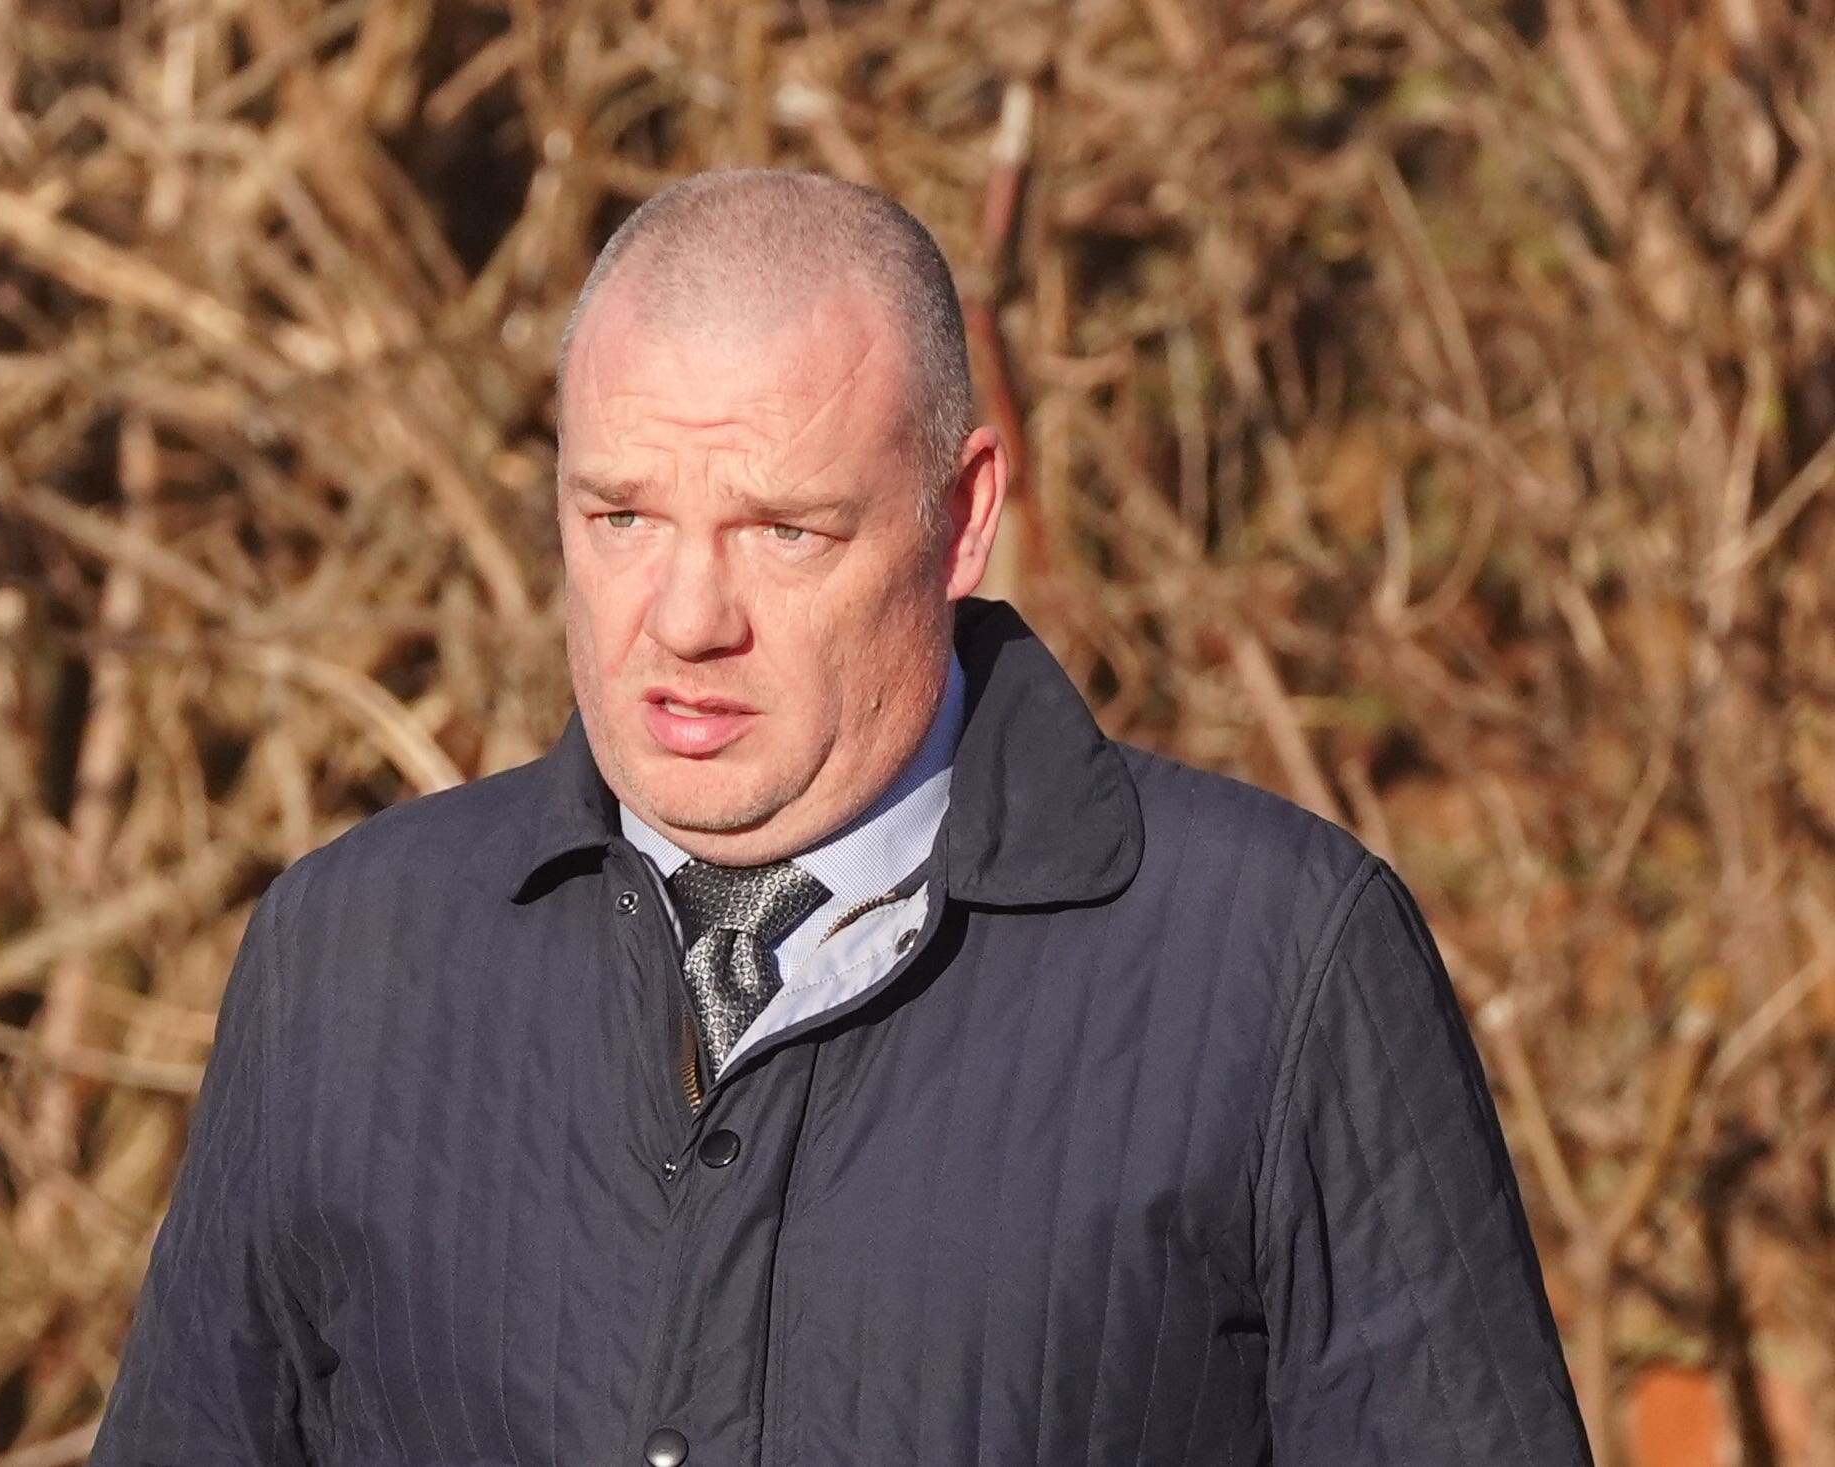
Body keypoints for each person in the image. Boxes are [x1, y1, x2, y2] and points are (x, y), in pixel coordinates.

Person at [90, 170, 1591, 1467]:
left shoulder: (1273, 967)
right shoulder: (347, 960)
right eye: (621, 517)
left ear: (964, 512)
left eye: (785, 530)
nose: (684, 619)